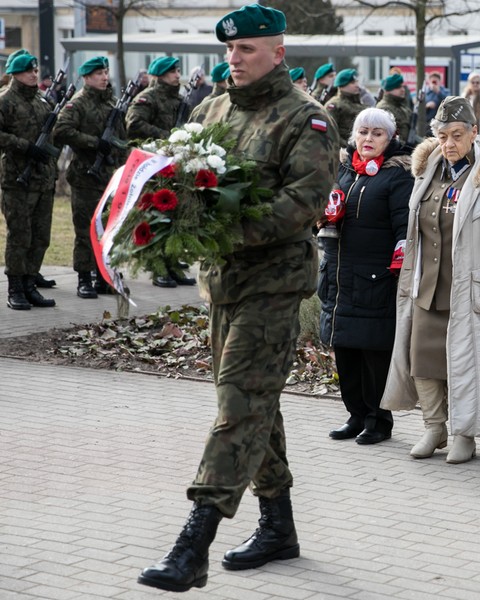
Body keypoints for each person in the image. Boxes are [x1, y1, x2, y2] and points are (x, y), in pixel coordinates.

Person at [137, 4, 340, 592]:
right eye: (229, 50)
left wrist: (222, 231)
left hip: (274, 285)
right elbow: (176, 176)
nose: (234, 58)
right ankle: (279, 528)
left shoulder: (307, 119)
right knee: (255, 405)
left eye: (247, 49)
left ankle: (192, 545)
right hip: (224, 284)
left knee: (239, 408)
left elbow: (305, 201)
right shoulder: (211, 109)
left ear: (278, 52)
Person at [380, 96, 480, 464]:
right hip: (428, 287)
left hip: (470, 287)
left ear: (473, 132)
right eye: (442, 135)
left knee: (465, 363)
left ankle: (464, 433)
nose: (449, 143)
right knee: (422, 360)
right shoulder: (427, 170)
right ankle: (434, 427)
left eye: (456, 135)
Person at [319, 108, 413, 445]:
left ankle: (378, 420)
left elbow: (405, 227)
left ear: (390, 139)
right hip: (339, 277)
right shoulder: (344, 169)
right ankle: (355, 414)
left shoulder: (397, 175)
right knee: (345, 351)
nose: (368, 139)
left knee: (375, 353)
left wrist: (399, 269)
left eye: (377, 133)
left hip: (374, 279)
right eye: (363, 132)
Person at [55, 56, 125, 299]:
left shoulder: (113, 104)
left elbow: (123, 138)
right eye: (98, 74)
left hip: (110, 177)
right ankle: (84, 278)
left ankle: (104, 276)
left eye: (105, 72)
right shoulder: (78, 104)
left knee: (109, 229)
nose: (104, 77)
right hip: (86, 177)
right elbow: (61, 130)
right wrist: (95, 143)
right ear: (86, 77)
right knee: (86, 230)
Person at [125, 55, 197, 289]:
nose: (178, 75)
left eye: (177, 71)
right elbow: (134, 125)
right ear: (161, 75)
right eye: (173, 71)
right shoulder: (147, 98)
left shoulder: (180, 100)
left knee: (175, 219)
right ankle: (158, 269)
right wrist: (167, 136)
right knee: (156, 218)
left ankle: (173, 265)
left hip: (176, 167)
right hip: (154, 168)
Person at [0, 52, 58, 310]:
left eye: (35, 70)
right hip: (17, 179)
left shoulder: (41, 100)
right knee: (20, 236)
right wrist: (24, 146)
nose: (34, 74)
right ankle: (15, 288)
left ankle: (30, 284)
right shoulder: (5, 100)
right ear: (15, 73)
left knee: (40, 236)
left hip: (43, 180)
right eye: (28, 71)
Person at [326, 68, 366, 142]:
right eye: (353, 83)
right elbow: (330, 132)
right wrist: (347, 148)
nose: (357, 85)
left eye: (357, 82)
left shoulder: (360, 103)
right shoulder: (334, 105)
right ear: (341, 85)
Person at [376, 72, 412, 145]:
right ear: (388, 90)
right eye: (398, 87)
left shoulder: (402, 106)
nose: (403, 90)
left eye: (402, 86)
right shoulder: (384, 108)